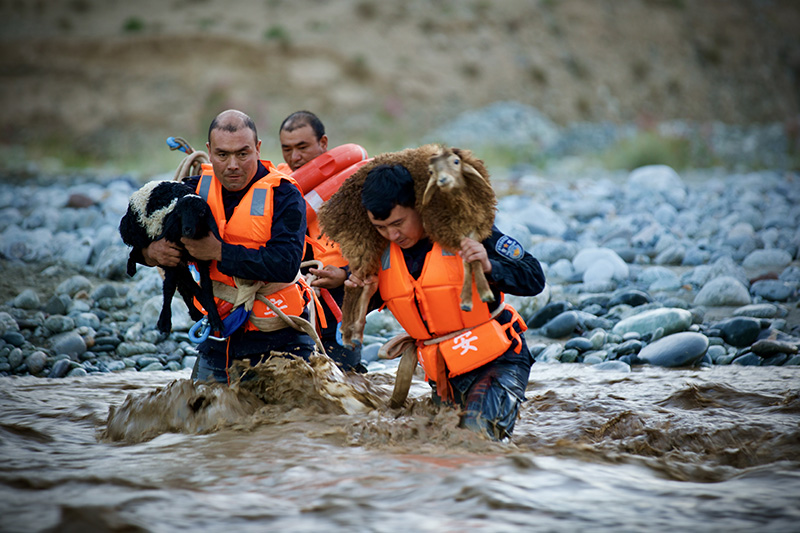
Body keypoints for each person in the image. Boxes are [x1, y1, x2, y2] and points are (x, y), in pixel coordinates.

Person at [346, 164, 546, 440]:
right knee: (441, 451)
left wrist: (489, 266)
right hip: (444, 376)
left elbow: (534, 278)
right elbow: (360, 313)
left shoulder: (467, 230)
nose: (392, 235)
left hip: (500, 360)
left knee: (476, 442)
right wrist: (352, 289)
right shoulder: (380, 254)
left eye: (397, 223)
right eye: (380, 227)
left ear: (418, 206)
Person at [135, 109, 316, 383]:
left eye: (242, 154)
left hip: (279, 338)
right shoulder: (192, 190)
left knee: (282, 425)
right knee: (203, 419)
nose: (233, 164)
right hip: (219, 336)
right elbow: (139, 236)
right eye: (222, 155)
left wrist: (218, 252)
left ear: (257, 148)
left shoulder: (285, 194)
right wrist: (149, 253)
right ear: (209, 152)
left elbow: (285, 264)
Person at [277, 110, 365, 373]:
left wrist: (344, 274)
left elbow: (382, 251)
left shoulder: (355, 189)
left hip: (340, 300)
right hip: (289, 302)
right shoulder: (275, 182)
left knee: (345, 382)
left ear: (323, 144)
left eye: (302, 147)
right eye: (287, 149)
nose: (295, 157)